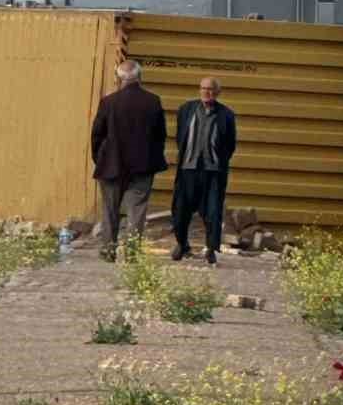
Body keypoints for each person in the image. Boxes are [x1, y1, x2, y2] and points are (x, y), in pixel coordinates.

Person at [90, 60, 169, 259]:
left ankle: (108, 251)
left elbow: (97, 134)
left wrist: (99, 158)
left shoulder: (108, 102)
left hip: (111, 165)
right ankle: (132, 253)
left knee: (110, 211)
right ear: (139, 78)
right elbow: (160, 135)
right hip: (142, 167)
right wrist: (152, 159)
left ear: (119, 79)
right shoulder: (153, 101)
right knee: (137, 211)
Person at [171, 76, 237, 266]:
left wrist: (217, 161)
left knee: (212, 211)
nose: (206, 92)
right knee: (181, 209)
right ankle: (181, 244)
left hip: (213, 171)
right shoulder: (186, 110)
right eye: (203, 88)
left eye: (210, 89)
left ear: (217, 92)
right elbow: (180, 138)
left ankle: (210, 249)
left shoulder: (226, 115)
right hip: (188, 169)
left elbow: (230, 145)